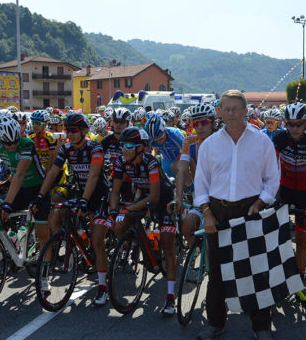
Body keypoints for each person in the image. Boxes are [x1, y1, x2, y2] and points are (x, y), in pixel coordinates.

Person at [194, 89, 279, 340]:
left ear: (245, 111)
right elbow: (201, 184)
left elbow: (272, 179)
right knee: (217, 271)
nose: (230, 113)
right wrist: (207, 213)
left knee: (257, 270)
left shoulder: (261, 141)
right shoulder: (209, 145)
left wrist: (259, 202)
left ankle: (262, 326)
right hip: (217, 212)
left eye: (235, 108)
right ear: (219, 111)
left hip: (250, 209)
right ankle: (215, 322)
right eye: (226, 109)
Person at [33, 112, 111, 306]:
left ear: (84, 130)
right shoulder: (67, 148)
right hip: (81, 192)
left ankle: (103, 287)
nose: (70, 134)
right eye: (68, 130)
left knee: (97, 241)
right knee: (56, 214)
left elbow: (93, 176)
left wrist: (84, 200)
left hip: (99, 196)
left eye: (74, 130)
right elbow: (53, 171)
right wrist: (41, 195)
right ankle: (69, 244)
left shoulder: (95, 148)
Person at [110, 127, 178, 315]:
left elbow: (155, 198)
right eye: (123, 145)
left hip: (163, 199)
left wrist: (128, 209)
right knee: (120, 224)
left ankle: (170, 297)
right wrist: (115, 212)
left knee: (168, 245)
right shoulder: (121, 162)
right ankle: (138, 242)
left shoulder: (151, 162)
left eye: (129, 146)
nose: (124, 149)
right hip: (143, 196)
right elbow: (115, 191)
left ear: (140, 148)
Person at [0, 115, 51, 268]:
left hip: (38, 189)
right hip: (20, 190)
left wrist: (7, 203)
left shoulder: (27, 144)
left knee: (43, 235)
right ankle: (4, 244)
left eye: (15, 141)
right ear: (0, 139)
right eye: (8, 143)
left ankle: (45, 271)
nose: (12, 146)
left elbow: (19, 175)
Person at [273, 102, 306, 302]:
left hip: (304, 192)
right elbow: (272, 167)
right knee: (277, 237)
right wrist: (271, 196)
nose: (294, 129)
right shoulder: (279, 138)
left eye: (299, 124)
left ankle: (298, 283)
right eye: (290, 124)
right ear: (285, 123)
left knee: (302, 240)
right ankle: (276, 277)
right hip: (283, 190)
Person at [174, 103, 217, 245]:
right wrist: (178, 196)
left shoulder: (222, 140)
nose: (199, 127)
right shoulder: (189, 141)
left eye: (204, 122)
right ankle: (198, 252)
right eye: (196, 123)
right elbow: (182, 169)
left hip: (220, 196)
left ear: (214, 123)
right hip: (202, 195)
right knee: (187, 228)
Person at [145, 113, 185, 179]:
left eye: (160, 138)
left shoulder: (174, 134)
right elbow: (146, 153)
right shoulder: (150, 138)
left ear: (165, 130)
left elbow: (187, 150)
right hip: (166, 161)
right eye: (155, 140)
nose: (158, 141)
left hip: (179, 159)